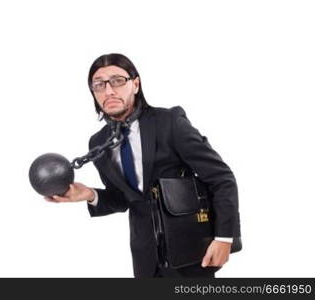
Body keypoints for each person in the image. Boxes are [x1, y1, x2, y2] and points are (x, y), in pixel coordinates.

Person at [48, 53, 240, 278]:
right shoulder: (99, 142)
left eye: (118, 81)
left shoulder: (169, 123)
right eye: (99, 85)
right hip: (145, 258)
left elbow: (221, 178)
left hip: (191, 251)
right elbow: (123, 199)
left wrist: (224, 238)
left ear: (136, 84)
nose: (109, 91)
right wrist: (89, 194)